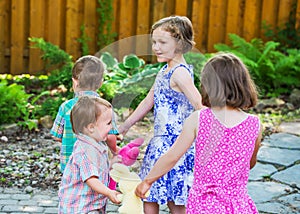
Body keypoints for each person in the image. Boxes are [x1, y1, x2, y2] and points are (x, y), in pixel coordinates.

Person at [135, 52, 263, 214]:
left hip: (205, 204)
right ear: (244, 84)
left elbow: (172, 156)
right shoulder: (255, 124)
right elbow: (250, 163)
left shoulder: (199, 119)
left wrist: (147, 181)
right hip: (238, 205)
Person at [118, 16, 203, 214]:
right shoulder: (164, 70)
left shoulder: (180, 73)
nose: (156, 47)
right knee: (149, 194)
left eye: (162, 42)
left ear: (180, 44)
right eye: (154, 42)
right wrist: (125, 126)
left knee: (176, 201)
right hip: (159, 143)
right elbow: (149, 101)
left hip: (176, 145)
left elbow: (200, 105)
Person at [50, 55, 119, 173]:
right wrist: (115, 151)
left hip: (70, 163)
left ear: (74, 81)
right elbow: (110, 137)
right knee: (95, 186)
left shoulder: (66, 107)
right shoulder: (105, 107)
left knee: (71, 189)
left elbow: (56, 136)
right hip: (95, 163)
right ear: (101, 83)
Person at [58, 96, 121, 213]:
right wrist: (109, 192)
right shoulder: (86, 151)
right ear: (91, 127)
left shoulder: (96, 144)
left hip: (90, 203)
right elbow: (91, 179)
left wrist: (113, 163)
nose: (111, 127)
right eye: (108, 123)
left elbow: (99, 169)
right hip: (80, 207)